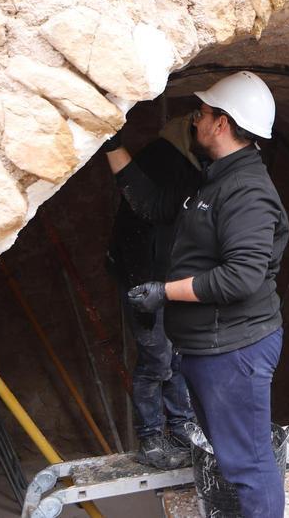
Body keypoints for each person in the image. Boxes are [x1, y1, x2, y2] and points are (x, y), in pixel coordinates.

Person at [125, 71, 289, 518]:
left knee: (248, 466)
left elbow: (241, 277)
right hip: (212, 347)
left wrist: (164, 291)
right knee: (236, 457)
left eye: (201, 113)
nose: (194, 120)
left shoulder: (248, 192)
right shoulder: (216, 178)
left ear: (221, 124)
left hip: (233, 349)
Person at [102, 116, 203, 470]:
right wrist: (147, 288)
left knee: (177, 354)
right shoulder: (164, 160)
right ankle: (150, 435)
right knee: (156, 359)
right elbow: (151, 211)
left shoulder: (192, 163)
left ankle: (180, 425)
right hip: (145, 275)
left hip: (171, 277)